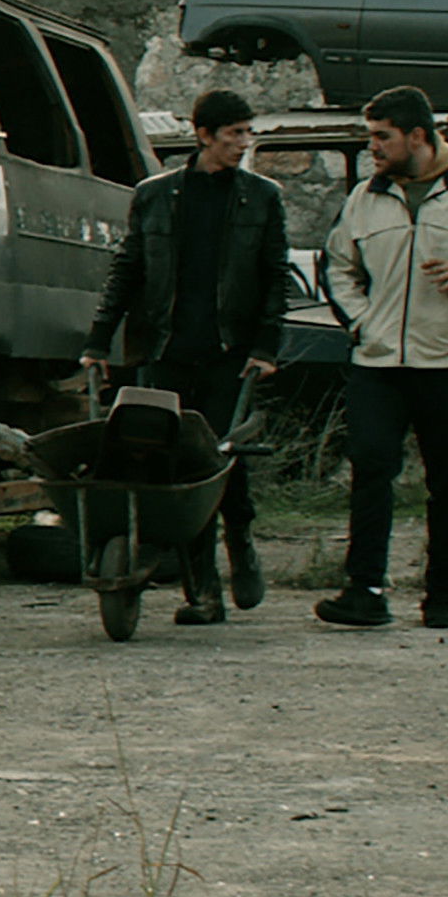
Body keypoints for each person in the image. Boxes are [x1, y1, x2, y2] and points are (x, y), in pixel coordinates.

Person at [315, 85, 448, 630]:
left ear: (417, 136)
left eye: (382, 136)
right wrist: (362, 322)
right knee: (370, 470)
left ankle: (440, 594)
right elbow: (336, 265)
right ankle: (364, 591)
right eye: (371, 137)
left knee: (446, 482)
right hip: (378, 363)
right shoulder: (366, 197)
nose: (373, 148)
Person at [82, 88, 286, 623]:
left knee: (220, 459)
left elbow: (274, 276)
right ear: (203, 136)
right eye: (234, 134)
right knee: (177, 469)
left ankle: (240, 537)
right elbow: (128, 268)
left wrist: (266, 346)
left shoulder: (262, 197)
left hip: (229, 352)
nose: (244, 143)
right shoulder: (155, 196)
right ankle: (204, 593)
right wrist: (98, 340)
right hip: (167, 349)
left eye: (248, 132)